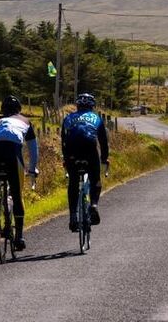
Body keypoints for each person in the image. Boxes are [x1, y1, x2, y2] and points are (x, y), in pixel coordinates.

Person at [0, 95, 38, 251]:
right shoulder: (25, 121)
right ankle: (19, 237)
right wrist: (32, 168)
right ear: (19, 109)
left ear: (2, 109)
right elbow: (33, 149)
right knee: (16, 194)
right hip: (12, 152)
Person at [61, 93, 109, 232]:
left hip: (72, 149)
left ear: (77, 106)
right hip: (89, 147)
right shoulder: (96, 118)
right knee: (95, 180)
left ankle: (72, 217)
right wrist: (104, 158)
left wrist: (66, 158)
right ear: (92, 106)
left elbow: (63, 141)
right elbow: (103, 142)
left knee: (73, 183)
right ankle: (93, 204)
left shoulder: (68, 118)